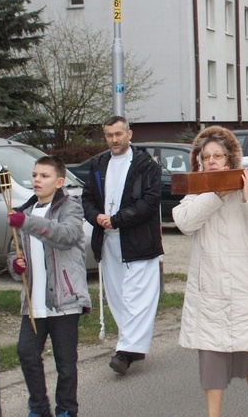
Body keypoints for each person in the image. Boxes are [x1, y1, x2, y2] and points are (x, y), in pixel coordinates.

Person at [173, 127, 248, 417]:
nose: (211, 161)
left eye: (217, 156)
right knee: (211, 360)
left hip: (245, 288)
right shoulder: (195, 190)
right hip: (210, 290)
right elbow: (184, 223)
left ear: (229, 159)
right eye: (205, 156)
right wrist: (215, 195)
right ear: (199, 161)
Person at [8, 155, 91, 417]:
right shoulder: (24, 211)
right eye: (34, 175)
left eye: (44, 176)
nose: (36, 180)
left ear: (59, 182)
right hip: (34, 302)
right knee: (27, 353)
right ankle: (39, 409)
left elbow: (66, 236)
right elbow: (14, 251)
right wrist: (16, 265)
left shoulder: (71, 208)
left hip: (65, 300)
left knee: (65, 363)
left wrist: (27, 223)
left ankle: (66, 410)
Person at [82, 116, 163, 375]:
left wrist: (116, 220)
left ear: (130, 133)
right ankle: (131, 345)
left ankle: (125, 352)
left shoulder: (146, 165)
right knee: (117, 297)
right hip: (107, 241)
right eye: (109, 135)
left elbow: (149, 202)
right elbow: (87, 198)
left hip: (138, 240)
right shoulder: (98, 164)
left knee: (137, 297)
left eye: (119, 134)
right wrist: (96, 217)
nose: (114, 140)